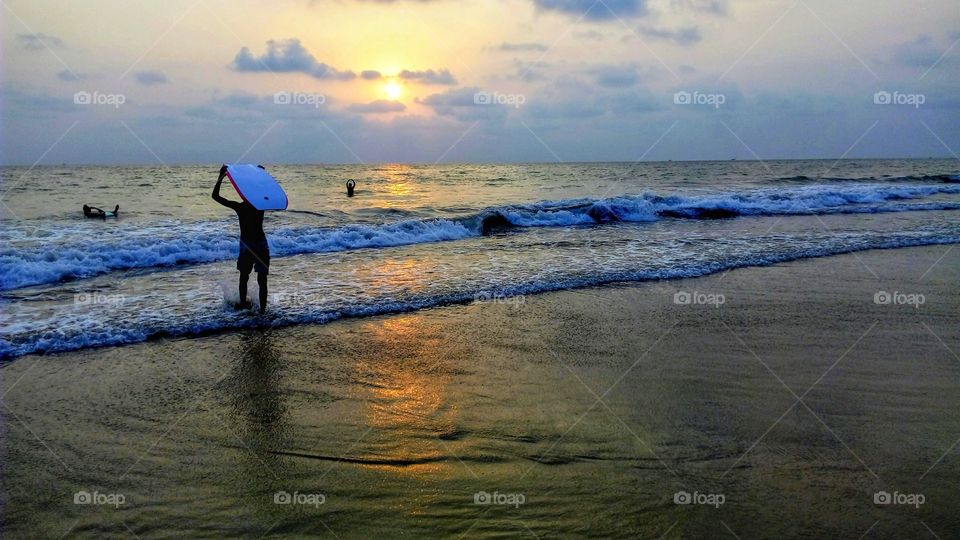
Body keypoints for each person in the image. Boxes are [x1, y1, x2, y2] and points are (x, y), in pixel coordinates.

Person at [212, 165, 269, 313]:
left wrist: (221, 176)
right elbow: (267, 192)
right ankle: (263, 312)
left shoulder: (240, 207)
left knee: (244, 277)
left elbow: (215, 196)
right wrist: (260, 175)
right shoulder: (260, 205)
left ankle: (244, 308)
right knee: (262, 280)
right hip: (261, 244)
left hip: (247, 245)